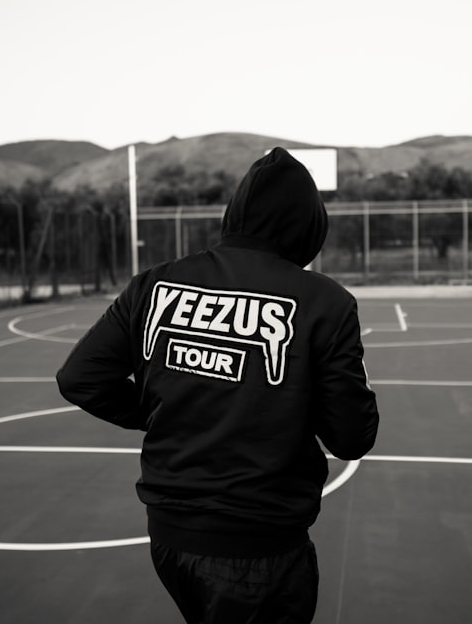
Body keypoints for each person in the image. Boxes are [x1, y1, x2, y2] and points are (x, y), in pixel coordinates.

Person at [56, 146, 379, 624]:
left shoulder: (152, 284)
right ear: (310, 225)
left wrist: (154, 411)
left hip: (169, 537)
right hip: (259, 546)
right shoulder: (324, 302)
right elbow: (352, 436)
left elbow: (79, 378)